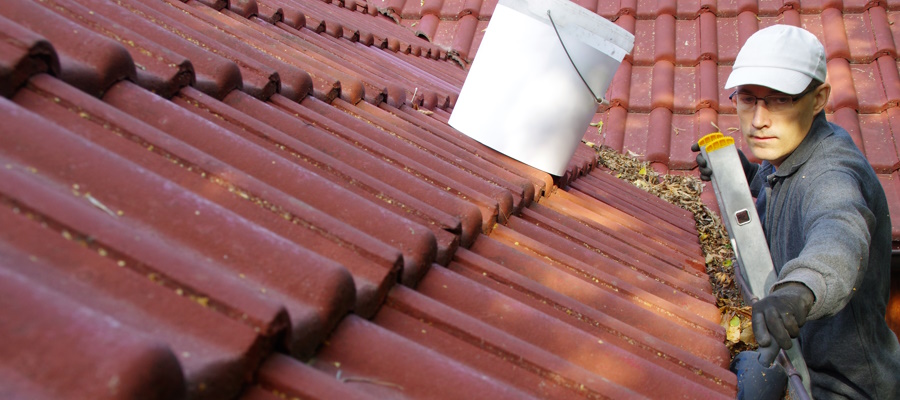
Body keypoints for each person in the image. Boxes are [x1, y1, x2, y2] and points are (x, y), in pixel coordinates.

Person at [693, 24, 900, 399]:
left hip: (844, 387)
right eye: (747, 99)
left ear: (819, 98)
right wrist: (746, 176)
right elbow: (784, 192)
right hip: (797, 361)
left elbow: (839, 232)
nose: (758, 121)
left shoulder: (832, 172)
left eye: (780, 100)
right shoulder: (789, 148)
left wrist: (797, 291)